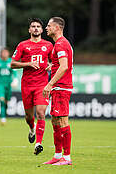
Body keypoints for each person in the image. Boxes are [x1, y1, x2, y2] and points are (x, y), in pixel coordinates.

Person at [11, 18, 53, 155]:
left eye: (38, 26)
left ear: (42, 30)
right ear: (29, 30)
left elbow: (55, 61)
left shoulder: (48, 45)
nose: (35, 28)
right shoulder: (23, 45)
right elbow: (12, 64)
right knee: (29, 117)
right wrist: (27, 64)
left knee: (41, 113)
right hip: (27, 85)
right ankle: (31, 128)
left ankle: (38, 143)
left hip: (42, 85)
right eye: (33, 26)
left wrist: (50, 66)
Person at [42, 17, 73, 165]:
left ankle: (66, 158)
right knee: (55, 120)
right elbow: (60, 64)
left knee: (62, 121)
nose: (46, 28)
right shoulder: (60, 44)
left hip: (61, 87)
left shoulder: (60, 44)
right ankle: (57, 155)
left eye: (49, 25)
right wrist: (52, 66)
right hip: (59, 87)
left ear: (57, 27)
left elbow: (64, 66)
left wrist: (49, 84)